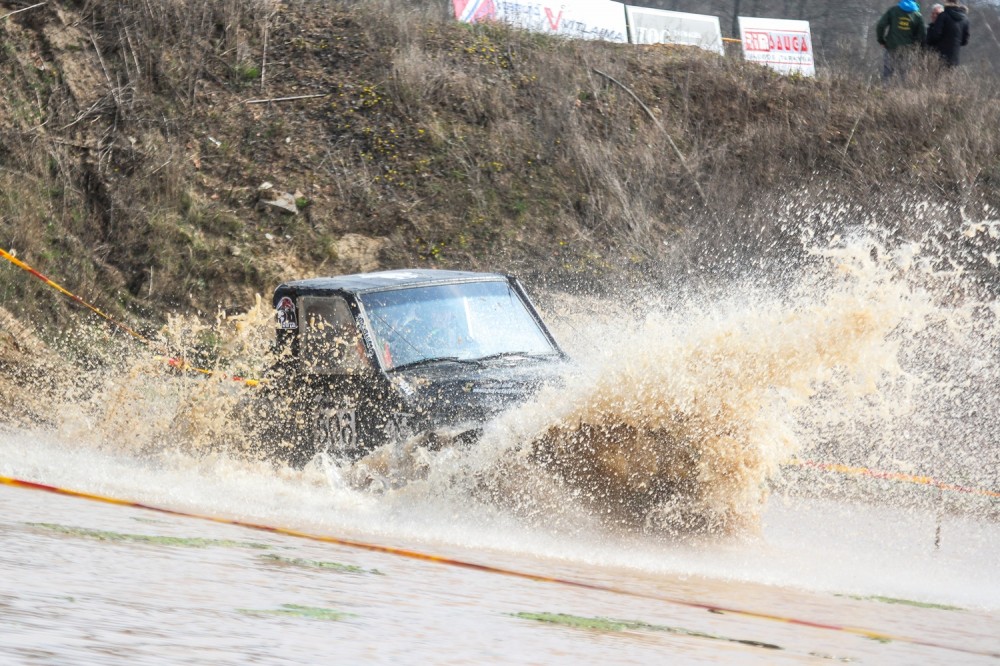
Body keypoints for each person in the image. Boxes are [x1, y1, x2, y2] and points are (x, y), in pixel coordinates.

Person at [876, 0, 927, 80]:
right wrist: (914, 46)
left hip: (891, 47)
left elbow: (881, 25)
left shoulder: (893, 10)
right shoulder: (917, 15)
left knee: (888, 75)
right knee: (904, 76)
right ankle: (901, 92)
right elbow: (922, 35)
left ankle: (886, 91)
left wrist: (881, 40)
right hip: (907, 50)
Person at [926, 1, 970, 67]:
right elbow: (965, 41)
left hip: (939, 57)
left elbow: (934, 36)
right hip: (954, 59)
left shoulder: (943, 15)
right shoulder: (965, 19)